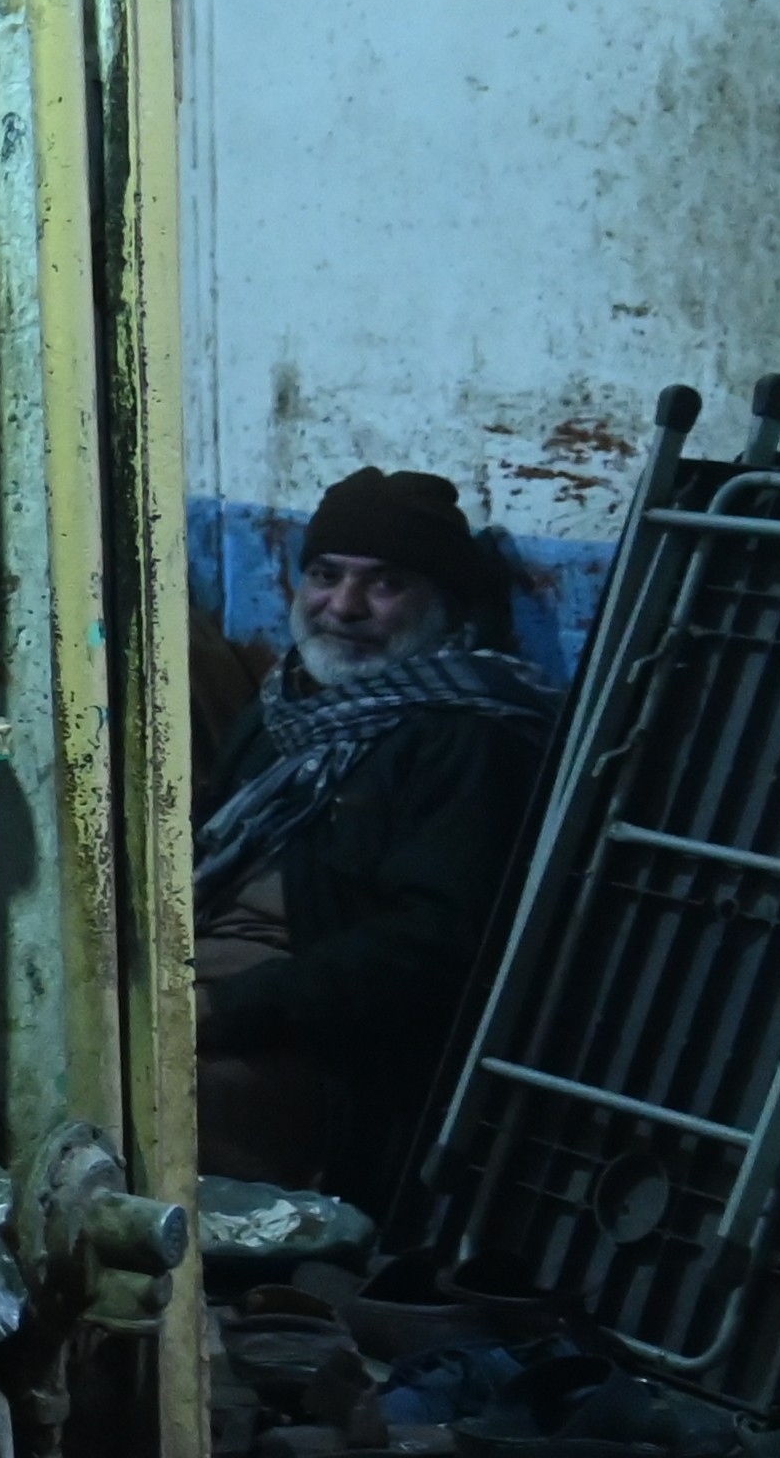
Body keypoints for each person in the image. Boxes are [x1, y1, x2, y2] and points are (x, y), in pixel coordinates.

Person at [195, 465, 559, 1213]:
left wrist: (228, 1007)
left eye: (385, 583)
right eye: (325, 575)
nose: (344, 607)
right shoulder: (288, 708)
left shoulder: (469, 734)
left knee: (129, 1102)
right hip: (204, 987)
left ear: (443, 604)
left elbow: (433, 946)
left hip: (320, 1052)